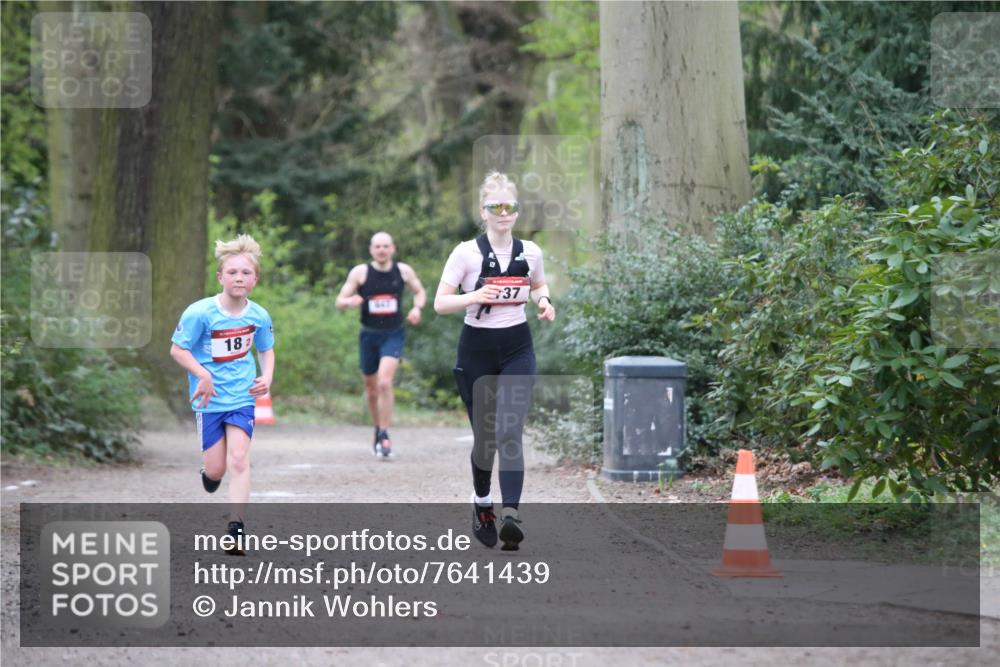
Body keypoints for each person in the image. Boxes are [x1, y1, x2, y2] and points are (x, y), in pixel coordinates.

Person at [434, 171, 555, 551]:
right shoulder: (465, 253)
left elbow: (538, 283)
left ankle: (511, 514)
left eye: (510, 207)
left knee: (509, 431)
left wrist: (544, 302)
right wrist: (474, 295)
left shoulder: (530, 251)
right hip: (477, 350)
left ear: (517, 211)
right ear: (483, 211)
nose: (503, 213)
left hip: (518, 346)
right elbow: (440, 303)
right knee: (486, 439)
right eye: (495, 207)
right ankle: (482, 501)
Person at [170, 234, 275, 556]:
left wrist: (267, 377)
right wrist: (202, 374)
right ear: (220, 277)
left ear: (255, 278)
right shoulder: (199, 313)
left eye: (246, 273)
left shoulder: (258, 315)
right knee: (216, 470)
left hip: (242, 396)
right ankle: (209, 474)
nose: (239, 278)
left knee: (240, 460)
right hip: (208, 400)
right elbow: (177, 350)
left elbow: (266, 350)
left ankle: (237, 528)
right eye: (232, 272)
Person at [336, 232, 426, 458]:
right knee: (371, 388)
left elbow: (420, 291)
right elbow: (339, 301)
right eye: (377, 246)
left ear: (393, 248)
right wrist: (349, 301)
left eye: (386, 246)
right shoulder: (360, 272)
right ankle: (377, 429)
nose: (382, 250)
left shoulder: (403, 271)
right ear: (371, 250)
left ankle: (385, 435)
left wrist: (417, 308)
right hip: (369, 335)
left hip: (393, 333)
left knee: (384, 382)